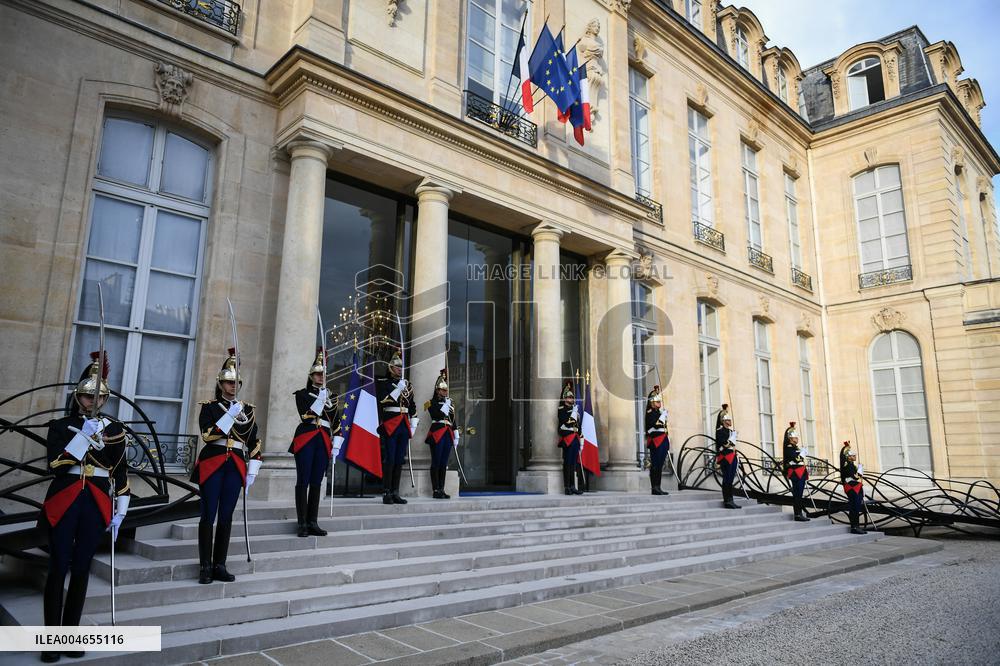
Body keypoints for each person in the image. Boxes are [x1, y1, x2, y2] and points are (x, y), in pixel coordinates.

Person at [40, 352, 130, 663]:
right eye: (87, 395)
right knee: (58, 567)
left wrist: (122, 509)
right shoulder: (61, 425)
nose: (93, 401)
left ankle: (70, 636)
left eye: (98, 396)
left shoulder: (114, 429)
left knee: (81, 568)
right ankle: (51, 640)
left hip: (96, 500)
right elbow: (55, 465)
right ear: (78, 396)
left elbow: (120, 472)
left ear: (104, 398)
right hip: (66, 497)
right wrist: (83, 438)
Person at [191, 347, 262, 584]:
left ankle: (220, 564)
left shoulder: (248, 410)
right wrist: (229, 415)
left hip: (236, 465)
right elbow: (207, 435)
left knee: (226, 517)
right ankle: (205, 565)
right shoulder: (210, 407)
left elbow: (254, 441)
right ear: (220, 383)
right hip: (213, 462)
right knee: (208, 515)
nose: (233, 386)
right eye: (229, 382)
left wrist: (253, 470)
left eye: (236, 383)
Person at [289, 348, 340, 537]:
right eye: (318, 374)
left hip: (323, 439)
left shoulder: (332, 397)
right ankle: (302, 522)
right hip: (307, 438)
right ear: (311, 376)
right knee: (303, 480)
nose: (321, 377)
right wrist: (321, 399)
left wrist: (337, 441)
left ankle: (312, 521)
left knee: (317, 482)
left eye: (323, 374)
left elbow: (336, 421)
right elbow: (306, 415)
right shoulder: (302, 394)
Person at [376, 351, 416, 505]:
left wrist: (414, 422)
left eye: (401, 367)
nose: (400, 369)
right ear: (390, 368)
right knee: (390, 458)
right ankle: (386, 491)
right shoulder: (383, 383)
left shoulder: (407, 385)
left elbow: (412, 405)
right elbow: (383, 401)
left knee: (399, 459)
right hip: (390, 423)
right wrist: (397, 389)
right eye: (397, 367)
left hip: (403, 424)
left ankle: (395, 492)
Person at [424, 369, 458, 499]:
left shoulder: (449, 402)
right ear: (437, 390)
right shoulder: (430, 403)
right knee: (436, 461)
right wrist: (445, 406)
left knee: (444, 463)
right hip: (437, 432)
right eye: (443, 390)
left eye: (446, 390)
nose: (445, 392)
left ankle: (442, 489)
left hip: (447, 433)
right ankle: (435, 489)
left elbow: (452, 419)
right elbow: (436, 415)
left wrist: (456, 433)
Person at [557, 380, 583, 495]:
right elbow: (566, 422)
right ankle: (567, 486)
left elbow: (578, 425)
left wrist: (581, 436)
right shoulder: (562, 410)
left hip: (575, 438)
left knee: (573, 463)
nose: (571, 399)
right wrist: (573, 414)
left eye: (572, 397)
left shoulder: (574, 410)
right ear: (564, 398)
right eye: (569, 397)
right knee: (567, 463)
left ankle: (573, 486)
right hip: (567, 438)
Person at [782, 422, 810, 522]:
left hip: (801, 472)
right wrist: (802, 453)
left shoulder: (795, 447)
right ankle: (797, 514)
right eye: (795, 437)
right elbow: (797, 459)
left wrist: (802, 452)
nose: (797, 439)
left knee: (800, 494)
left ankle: (799, 513)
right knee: (797, 494)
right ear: (790, 438)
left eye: (797, 437)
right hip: (796, 473)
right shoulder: (789, 447)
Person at [644, 386, 670, 496]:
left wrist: (663, 415)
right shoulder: (650, 412)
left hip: (662, 440)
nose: (659, 403)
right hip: (656, 441)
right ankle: (654, 487)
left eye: (659, 401)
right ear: (652, 402)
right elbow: (655, 425)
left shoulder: (658, 412)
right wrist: (663, 417)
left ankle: (658, 486)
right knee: (656, 465)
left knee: (659, 465)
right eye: (657, 401)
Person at [714, 405, 740, 509]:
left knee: (731, 479)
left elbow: (733, 445)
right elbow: (725, 444)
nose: (730, 421)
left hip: (732, 456)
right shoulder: (720, 431)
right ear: (724, 421)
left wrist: (734, 436)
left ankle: (731, 500)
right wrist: (732, 439)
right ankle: (727, 501)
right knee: (727, 479)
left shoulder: (730, 431)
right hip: (725, 457)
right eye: (728, 420)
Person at [840, 440, 867, 535]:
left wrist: (860, 469)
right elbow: (855, 476)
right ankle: (854, 526)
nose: (855, 456)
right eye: (853, 455)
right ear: (848, 457)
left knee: (857, 507)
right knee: (854, 507)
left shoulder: (852, 465)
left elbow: (858, 476)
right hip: (851, 486)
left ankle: (856, 526)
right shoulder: (847, 465)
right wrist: (846, 447)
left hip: (855, 486)